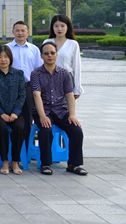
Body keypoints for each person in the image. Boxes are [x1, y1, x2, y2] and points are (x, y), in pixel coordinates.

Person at [31, 41, 87, 176]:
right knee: (46, 130)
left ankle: (74, 164)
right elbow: (36, 95)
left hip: (61, 111)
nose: (49, 56)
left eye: (52, 53)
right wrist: (42, 116)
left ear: (57, 55)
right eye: (46, 53)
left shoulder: (65, 73)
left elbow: (70, 95)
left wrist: (72, 115)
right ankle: (45, 164)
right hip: (43, 111)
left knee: (76, 130)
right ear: (41, 56)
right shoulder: (36, 74)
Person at [0, 45, 26, 175]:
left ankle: (15, 161)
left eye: (6, 57)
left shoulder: (18, 74)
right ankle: (4, 160)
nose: (3, 60)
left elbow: (22, 95)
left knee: (19, 128)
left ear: (10, 58)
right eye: (0, 57)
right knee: (1, 128)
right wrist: (1, 113)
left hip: (15, 112)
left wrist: (15, 112)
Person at [7, 20, 43, 149]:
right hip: (10, 88)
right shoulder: (7, 48)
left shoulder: (34, 49)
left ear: (28, 32)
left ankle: (26, 149)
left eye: (23, 30)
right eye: (17, 30)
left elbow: (39, 70)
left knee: (28, 118)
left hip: (28, 87)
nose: (20, 33)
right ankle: (12, 148)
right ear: (13, 32)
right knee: (11, 117)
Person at [44, 14, 84, 98]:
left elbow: (77, 66)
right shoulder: (47, 42)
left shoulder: (73, 44)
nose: (59, 29)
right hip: (48, 79)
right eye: (56, 26)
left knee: (66, 105)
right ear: (52, 27)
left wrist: (77, 88)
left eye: (62, 26)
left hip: (66, 79)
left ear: (67, 27)